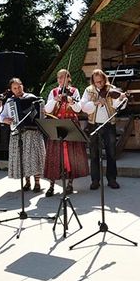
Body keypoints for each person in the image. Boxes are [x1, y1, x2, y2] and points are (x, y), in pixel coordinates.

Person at [43, 69, 89, 197]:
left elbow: (78, 109)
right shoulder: (53, 92)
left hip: (71, 124)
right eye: (58, 78)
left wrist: (71, 101)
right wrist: (55, 100)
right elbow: (47, 109)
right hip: (56, 125)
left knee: (72, 155)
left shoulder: (74, 91)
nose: (60, 80)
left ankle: (70, 183)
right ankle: (51, 185)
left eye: (63, 77)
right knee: (54, 155)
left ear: (68, 78)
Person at [81, 69, 127, 190]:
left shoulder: (111, 88)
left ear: (104, 79)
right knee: (94, 153)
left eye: (101, 81)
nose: (99, 84)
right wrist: (96, 103)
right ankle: (95, 180)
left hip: (109, 124)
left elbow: (118, 106)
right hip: (93, 124)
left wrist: (121, 98)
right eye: (96, 82)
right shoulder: (88, 90)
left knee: (111, 153)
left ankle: (112, 179)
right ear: (93, 81)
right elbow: (84, 107)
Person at [0, 78, 45, 192]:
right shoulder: (10, 102)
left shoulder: (33, 98)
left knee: (34, 157)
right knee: (23, 158)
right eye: (15, 88)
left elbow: (41, 113)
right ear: (11, 90)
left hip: (33, 132)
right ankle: (27, 182)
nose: (18, 89)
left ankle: (37, 182)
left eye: (19, 86)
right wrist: (5, 120)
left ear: (22, 86)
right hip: (18, 133)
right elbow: (1, 116)